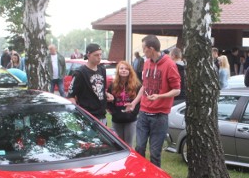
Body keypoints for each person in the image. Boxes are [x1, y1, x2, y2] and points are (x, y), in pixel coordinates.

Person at [125, 35, 180, 167]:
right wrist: (134, 103)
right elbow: (145, 86)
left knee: (155, 153)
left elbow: (177, 90)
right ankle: (140, 176)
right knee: (139, 148)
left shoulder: (169, 64)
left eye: (144, 48)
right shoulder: (147, 63)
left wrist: (159, 96)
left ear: (151, 49)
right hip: (144, 113)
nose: (143, 51)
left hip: (160, 116)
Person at [67, 43, 112, 125]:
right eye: (96, 55)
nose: (99, 57)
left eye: (100, 54)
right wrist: (77, 112)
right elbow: (71, 96)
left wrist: (107, 94)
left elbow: (101, 89)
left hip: (102, 115)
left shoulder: (102, 69)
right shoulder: (80, 73)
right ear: (88, 55)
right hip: (88, 116)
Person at [107, 61, 142, 145]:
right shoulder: (112, 85)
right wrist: (114, 113)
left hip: (130, 120)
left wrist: (133, 113)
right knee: (118, 144)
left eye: (126, 69)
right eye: (121, 68)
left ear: (130, 71)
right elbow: (108, 101)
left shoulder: (136, 85)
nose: (124, 70)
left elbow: (139, 101)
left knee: (128, 145)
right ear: (118, 70)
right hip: (117, 119)